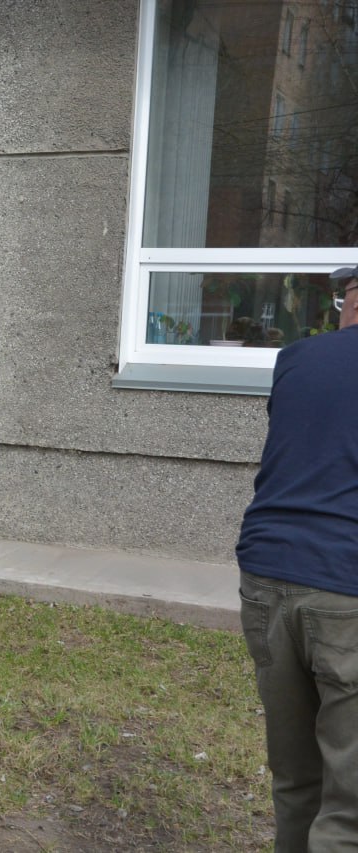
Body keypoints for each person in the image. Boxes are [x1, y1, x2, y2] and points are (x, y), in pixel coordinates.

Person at [236, 264, 358, 849]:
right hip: (346, 589)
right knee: (350, 804)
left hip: (266, 576)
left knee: (296, 779)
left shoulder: (297, 359)